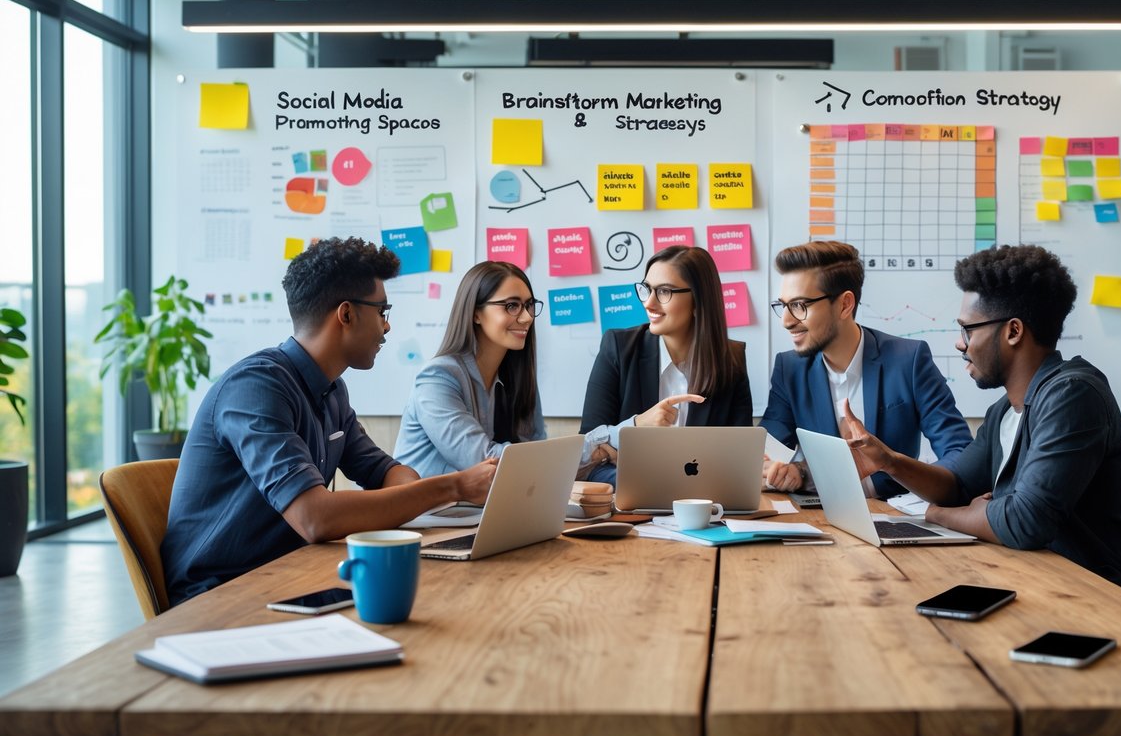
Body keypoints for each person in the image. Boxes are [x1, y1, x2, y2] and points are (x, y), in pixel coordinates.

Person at [161, 238, 497, 606]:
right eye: (382, 311)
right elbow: (314, 518)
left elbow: (386, 471)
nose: (387, 327)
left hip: (290, 576)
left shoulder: (332, 391)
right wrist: (453, 487)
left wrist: (404, 489)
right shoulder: (255, 388)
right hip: (220, 598)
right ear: (346, 314)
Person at [841, 243, 1121, 597]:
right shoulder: (1005, 409)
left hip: (1098, 594)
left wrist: (938, 515)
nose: (960, 344)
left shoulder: (1073, 396)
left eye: (968, 330)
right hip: (1035, 580)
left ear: (1013, 331)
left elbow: (1024, 522)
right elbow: (956, 486)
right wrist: (889, 461)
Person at [760, 240, 971, 497]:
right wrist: (792, 472)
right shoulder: (789, 368)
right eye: (783, 305)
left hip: (893, 514)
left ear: (845, 305)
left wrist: (904, 471)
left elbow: (959, 452)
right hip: (818, 517)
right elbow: (765, 454)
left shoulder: (909, 360)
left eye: (799, 305)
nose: (786, 321)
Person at [579, 245, 752, 484]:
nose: (649, 303)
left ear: (698, 302)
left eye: (664, 292)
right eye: (647, 289)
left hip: (705, 505)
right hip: (632, 506)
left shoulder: (731, 361)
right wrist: (639, 428)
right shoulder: (618, 348)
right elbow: (588, 453)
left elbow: (740, 457)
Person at [394, 261, 547, 476]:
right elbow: (483, 460)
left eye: (529, 305)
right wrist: (594, 445)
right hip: (431, 509)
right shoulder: (438, 378)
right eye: (511, 305)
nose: (527, 317)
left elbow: (541, 456)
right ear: (476, 313)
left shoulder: (519, 379)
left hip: (482, 507)